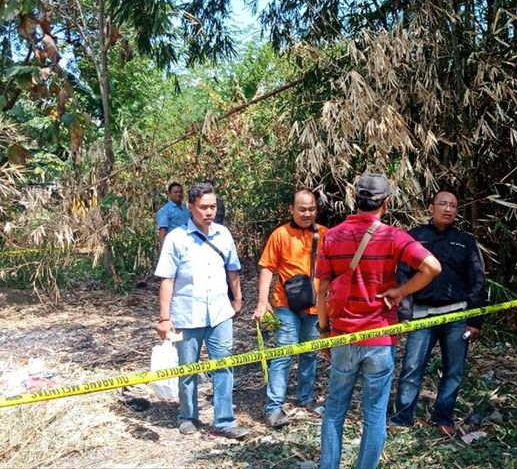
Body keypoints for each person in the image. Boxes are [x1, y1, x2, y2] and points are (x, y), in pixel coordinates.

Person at [315, 172, 442, 469]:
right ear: (386, 202)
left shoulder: (331, 236)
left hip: (343, 336)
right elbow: (432, 267)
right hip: (380, 338)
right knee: (374, 414)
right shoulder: (393, 236)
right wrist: (400, 291)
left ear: (355, 199)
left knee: (334, 411)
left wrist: (323, 331)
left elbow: (321, 289)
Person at [154, 182, 248, 439]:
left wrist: (237, 298)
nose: (209, 212)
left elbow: (233, 269)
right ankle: (187, 416)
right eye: (204, 207)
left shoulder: (224, 235)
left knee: (224, 366)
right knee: (187, 368)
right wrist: (165, 318)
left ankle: (225, 420)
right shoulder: (176, 239)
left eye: (213, 207)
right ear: (191, 207)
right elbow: (167, 279)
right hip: (186, 314)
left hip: (219, 312)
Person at [390, 190, 487, 437]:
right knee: (412, 367)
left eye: (453, 205)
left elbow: (477, 281)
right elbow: (403, 274)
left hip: (456, 316)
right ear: (431, 207)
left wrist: (475, 320)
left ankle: (443, 417)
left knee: (453, 370)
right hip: (422, 315)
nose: (448, 209)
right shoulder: (415, 237)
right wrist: (405, 314)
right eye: (443, 204)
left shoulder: (465, 241)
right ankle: (403, 417)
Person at [253, 189, 328, 428]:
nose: (307, 214)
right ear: (292, 209)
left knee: (309, 353)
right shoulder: (280, 235)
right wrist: (262, 302)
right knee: (283, 353)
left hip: (316, 306)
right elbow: (267, 267)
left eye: (311, 209)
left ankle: (305, 398)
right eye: (302, 209)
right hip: (286, 304)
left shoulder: (325, 234)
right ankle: (274, 407)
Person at [156, 182, 190, 249]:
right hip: (174, 246)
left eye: (180, 192)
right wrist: (163, 250)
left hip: (188, 245)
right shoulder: (165, 210)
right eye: (175, 192)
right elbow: (162, 231)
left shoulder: (185, 209)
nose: (178, 194)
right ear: (169, 194)